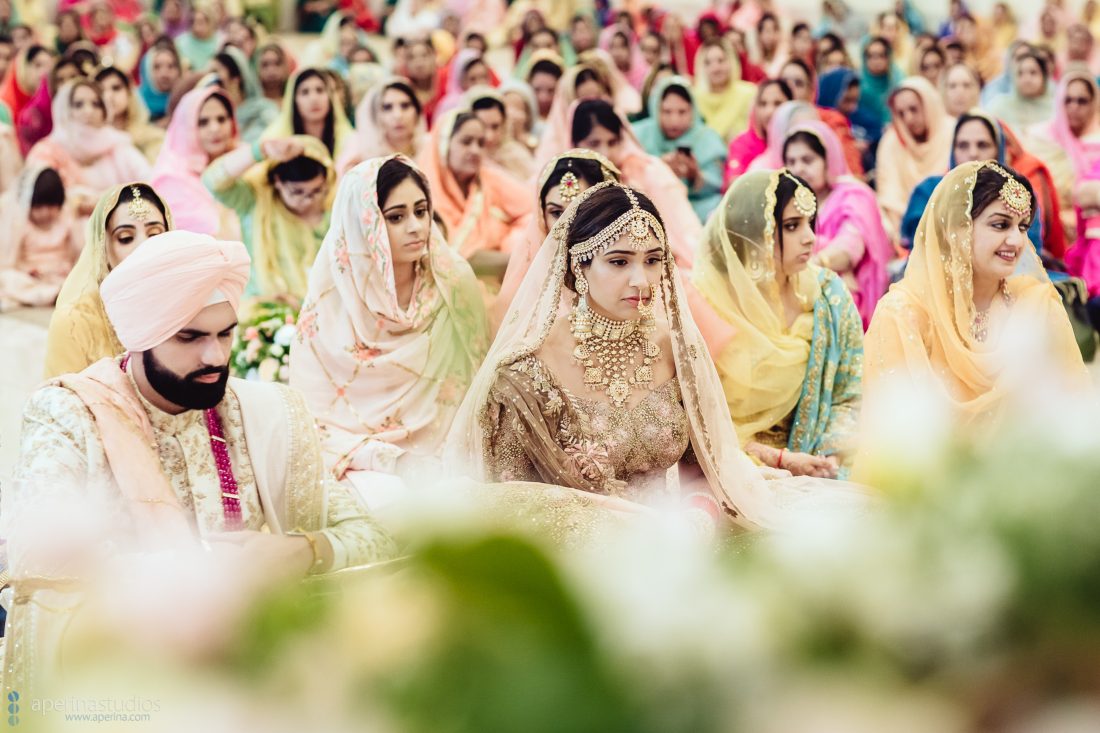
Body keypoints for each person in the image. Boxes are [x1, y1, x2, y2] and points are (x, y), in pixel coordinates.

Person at [5, 230, 397, 698]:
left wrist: (305, 550)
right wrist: (193, 580)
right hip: (127, 684)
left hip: (257, 680)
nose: (214, 356)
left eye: (225, 334)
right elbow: (38, 565)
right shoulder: (69, 416)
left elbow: (373, 537)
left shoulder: (265, 415)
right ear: (141, 338)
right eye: (189, 337)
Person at [446, 180, 868, 530]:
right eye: (619, 261)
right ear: (579, 266)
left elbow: (703, 464)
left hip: (676, 538)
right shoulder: (524, 372)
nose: (641, 280)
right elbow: (506, 503)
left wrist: (696, 518)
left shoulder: (672, 345)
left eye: (652, 261)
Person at [290, 156, 489, 503]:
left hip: (448, 455)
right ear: (361, 224)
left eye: (421, 210)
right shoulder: (331, 300)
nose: (415, 226)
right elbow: (311, 421)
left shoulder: (453, 285)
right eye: (395, 217)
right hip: (355, 462)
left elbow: (478, 384)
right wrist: (386, 458)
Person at [865, 162, 1090, 427]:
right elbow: (893, 432)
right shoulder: (904, 315)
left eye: (1022, 227)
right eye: (1000, 225)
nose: (1017, 241)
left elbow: (1071, 412)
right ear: (957, 230)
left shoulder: (1036, 306)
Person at [693, 169, 863, 478]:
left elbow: (849, 393)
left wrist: (831, 459)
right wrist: (777, 460)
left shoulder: (829, 297)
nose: (810, 237)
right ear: (754, 233)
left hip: (820, 463)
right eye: (791, 226)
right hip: (733, 468)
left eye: (810, 224)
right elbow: (696, 421)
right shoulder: (707, 304)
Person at [44, 184, 172, 377]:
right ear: (103, 247)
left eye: (155, 234)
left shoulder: (182, 305)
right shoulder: (73, 321)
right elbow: (59, 403)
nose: (144, 247)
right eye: (126, 238)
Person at [901, 111, 1063, 258]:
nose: (972, 153)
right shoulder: (930, 191)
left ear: (998, 150)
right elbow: (921, 251)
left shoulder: (1016, 193)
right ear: (953, 151)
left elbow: (1027, 253)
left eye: (982, 145)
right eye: (963, 145)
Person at [492, 149, 621, 330]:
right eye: (556, 213)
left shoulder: (627, 273)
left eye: (579, 211)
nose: (565, 225)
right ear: (541, 216)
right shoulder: (523, 285)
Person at [784, 122, 891, 328]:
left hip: (845, 293)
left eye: (807, 160)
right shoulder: (786, 204)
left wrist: (816, 263)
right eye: (791, 161)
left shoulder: (852, 196)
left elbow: (849, 249)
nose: (798, 168)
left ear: (828, 161)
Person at [203, 135, 336, 301]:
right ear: (278, 182)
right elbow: (212, 180)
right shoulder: (253, 200)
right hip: (265, 305)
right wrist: (259, 150)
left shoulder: (333, 206)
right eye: (297, 192)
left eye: (317, 191)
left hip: (324, 305)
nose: (308, 200)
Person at [416, 109, 531, 267]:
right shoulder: (421, 191)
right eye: (466, 141)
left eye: (481, 143)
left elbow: (534, 212)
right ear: (444, 144)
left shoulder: (491, 180)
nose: (475, 151)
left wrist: (512, 242)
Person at [26, 79, 153, 215]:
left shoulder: (117, 145)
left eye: (96, 104)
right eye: (78, 104)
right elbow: (40, 196)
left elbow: (150, 182)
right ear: (64, 109)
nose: (88, 111)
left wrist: (101, 201)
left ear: (105, 110)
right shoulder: (47, 151)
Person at [152, 86, 241, 240]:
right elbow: (213, 234)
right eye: (203, 122)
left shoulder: (240, 160)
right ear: (185, 128)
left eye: (221, 119)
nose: (215, 128)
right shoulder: (170, 179)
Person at [634, 76, 725, 224]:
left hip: (695, 206)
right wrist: (658, 168)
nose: (674, 120)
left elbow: (718, 185)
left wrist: (695, 176)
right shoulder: (639, 135)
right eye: (667, 112)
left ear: (693, 111)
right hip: (650, 207)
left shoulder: (707, 138)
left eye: (682, 112)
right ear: (656, 109)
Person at [875, 77, 955, 240]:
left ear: (929, 105)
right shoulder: (892, 141)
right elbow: (889, 195)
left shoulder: (953, 132)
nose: (908, 119)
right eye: (901, 114)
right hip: (905, 228)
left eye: (914, 109)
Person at [0, 166, 82, 310]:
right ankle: (53, 295)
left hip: (60, 276)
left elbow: (79, 252)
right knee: (8, 278)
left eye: (51, 206)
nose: (45, 213)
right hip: (31, 277)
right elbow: (10, 262)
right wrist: (27, 271)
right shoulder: (21, 224)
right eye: (38, 207)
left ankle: (57, 293)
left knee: (82, 281)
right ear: (28, 204)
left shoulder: (66, 220)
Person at [338, 77, 426, 174]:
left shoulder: (429, 147)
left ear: (417, 112)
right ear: (375, 115)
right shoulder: (359, 152)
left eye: (405, 106)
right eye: (387, 107)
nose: (398, 115)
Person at [262, 68, 352, 161]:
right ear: (293, 100)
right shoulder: (275, 137)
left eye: (320, 90)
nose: (314, 99)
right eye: (305, 92)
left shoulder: (348, 139)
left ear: (330, 97)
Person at [725, 79, 793, 187]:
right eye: (763, 104)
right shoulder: (742, 144)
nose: (769, 111)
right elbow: (735, 186)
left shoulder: (798, 140)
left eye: (777, 103)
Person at [691, 38, 755, 142]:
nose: (716, 68)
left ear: (731, 62)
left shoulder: (748, 93)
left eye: (721, 61)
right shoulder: (693, 98)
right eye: (708, 63)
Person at [95, 65, 164, 163]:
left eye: (116, 88)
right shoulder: (92, 144)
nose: (108, 96)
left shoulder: (153, 138)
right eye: (101, 91)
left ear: (129, 93)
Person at [211, 45, 278, 144]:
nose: (212, 77)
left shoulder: (263, 110)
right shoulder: (214, 118)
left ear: (236, 78)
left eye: (217, 71)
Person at [468, 88, 536, 181]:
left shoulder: (517, 156)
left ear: (504, 124)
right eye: (482, 126)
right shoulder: (463, 158)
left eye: (495, 127)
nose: (489, 136)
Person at [986, 50, 1056, 129]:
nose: (1026, 79)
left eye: (1033, 73)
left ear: (1044, 77)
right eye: (1020, 73)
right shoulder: (1000, 107)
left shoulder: (1056, 109)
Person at [0, 43, 51, 129]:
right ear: (22, 67)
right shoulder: (5, 104)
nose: (44, 72)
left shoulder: (50, 102)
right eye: (38, 65)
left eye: (49, 66)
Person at [137, 41, 182, 124]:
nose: (164, 74)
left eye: (171, 66)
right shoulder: (137, 100)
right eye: (157, 67)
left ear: (179, 70)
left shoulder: (185, 101)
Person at [174, 5, 219, 71]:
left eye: (201, 22)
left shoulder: (220, 42)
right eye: (193, 22)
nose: (196, 27)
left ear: (210, 23)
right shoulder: (180, 42)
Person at [257, 42, 292, 107]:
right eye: (265, 64)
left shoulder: (293, 102)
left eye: (277, 63)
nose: (271, 70)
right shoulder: (252, 105)